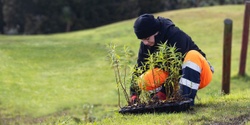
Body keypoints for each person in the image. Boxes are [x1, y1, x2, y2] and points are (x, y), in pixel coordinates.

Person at [130, 14, 214, 106]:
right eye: (142, 40)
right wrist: (134, 94)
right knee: (144, 80)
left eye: (147, 39)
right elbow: (140, 67)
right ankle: (163, 100)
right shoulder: (146, 45)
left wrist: (163, 92)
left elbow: (178, 68)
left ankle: (185, 101)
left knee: (192, 55)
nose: (145, 42)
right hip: (175, 79)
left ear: (156, 32)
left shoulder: (175, 35)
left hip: (201, 75)